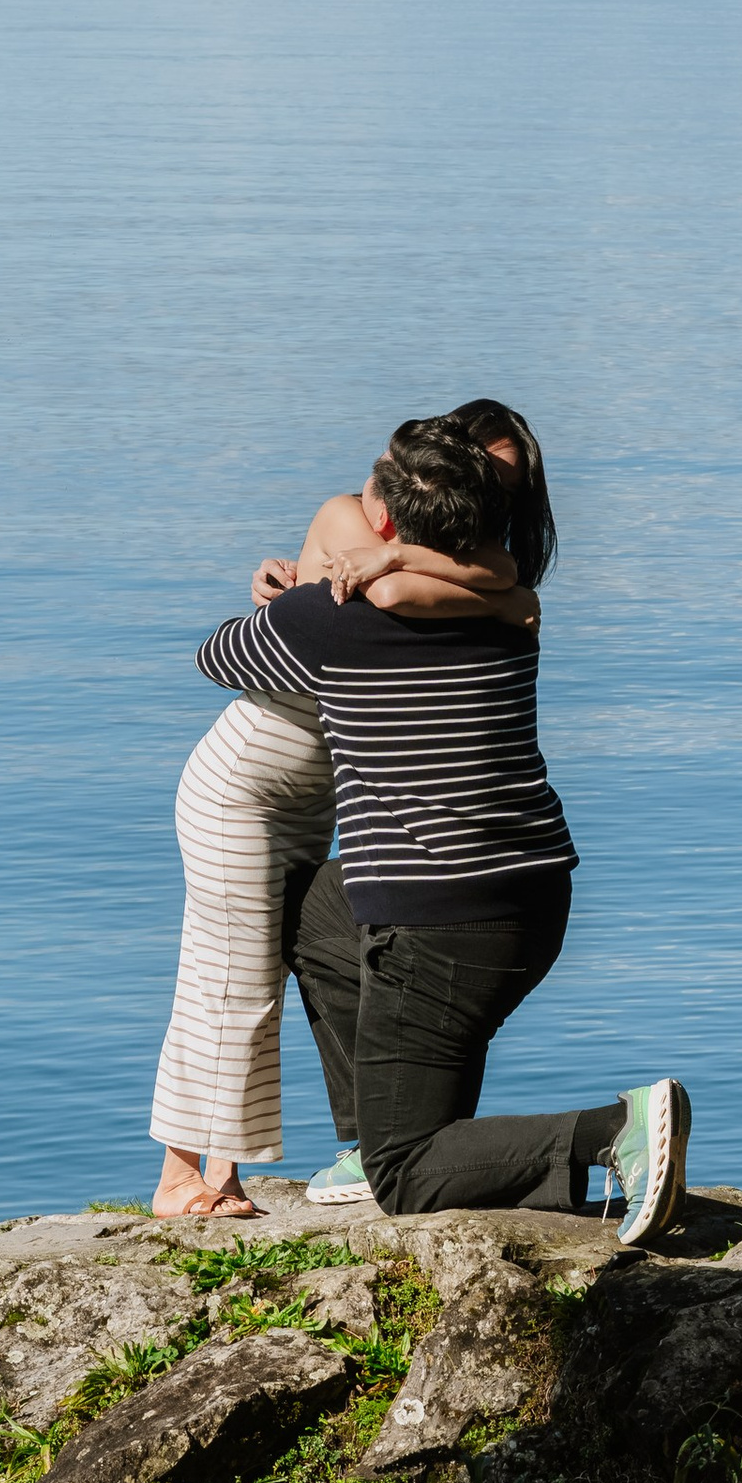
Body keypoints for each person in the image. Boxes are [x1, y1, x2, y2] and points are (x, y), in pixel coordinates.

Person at [192, 414, 689, 1238]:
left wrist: (299, 587)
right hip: (536, 899)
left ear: (382, 521)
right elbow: (497, 580)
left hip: (442, 922)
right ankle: (377, 1132)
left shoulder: (329, 622)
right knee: (310, 912)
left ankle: (617, 1130)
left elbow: (218, 655)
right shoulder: (510, 610)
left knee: (409, 1175)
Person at [147, 410, 530, 1224]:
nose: (499, 492)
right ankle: (189, 1179)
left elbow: (496, 582)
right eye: (488, 471)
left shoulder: (459, 563)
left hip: (314, 785)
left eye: (510, 482)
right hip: (244, 780)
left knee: (281, 948)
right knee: (232, 972)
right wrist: (293, 603)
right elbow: (225, 653)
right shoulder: (351, 519)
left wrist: (391, 561)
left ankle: (249, 1167)